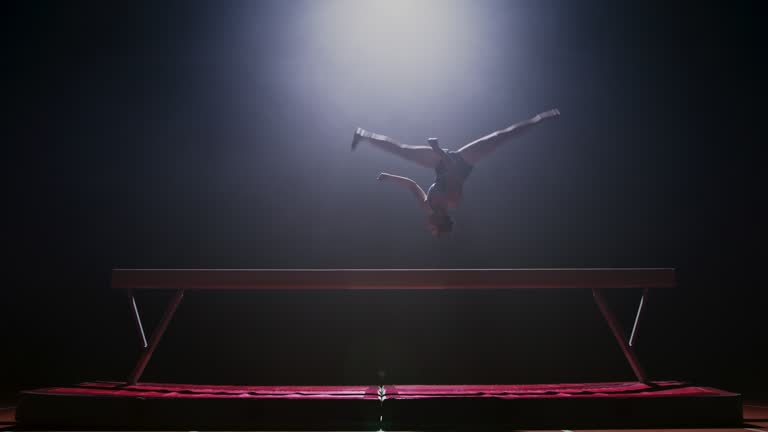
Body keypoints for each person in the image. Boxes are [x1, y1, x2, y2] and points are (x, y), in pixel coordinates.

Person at [351, 109, 560, 236]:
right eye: (433, 229)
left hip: (441, 162)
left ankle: (363, 135)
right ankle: (541, 118)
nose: (428, 227)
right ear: (441, 222)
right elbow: (453, 170)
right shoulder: (452, 200)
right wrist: (438, 151)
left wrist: (389, 178)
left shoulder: (428, 207)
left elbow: (412, 185)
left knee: (403, 151)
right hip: (461, 162)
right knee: (500, 137)